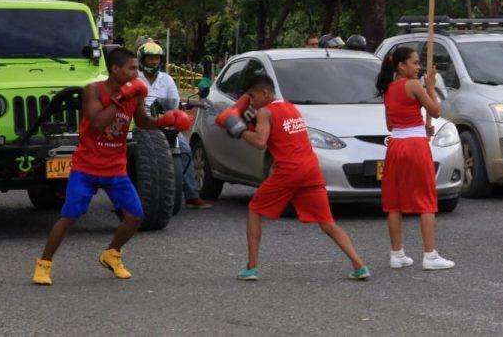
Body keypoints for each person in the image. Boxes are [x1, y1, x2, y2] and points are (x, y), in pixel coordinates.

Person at [32, 48, 194, 285]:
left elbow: (141, 122)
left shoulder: (135, 93)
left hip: (115, 167)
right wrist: (121, 98)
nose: (136, 73)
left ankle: (112, 254)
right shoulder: (93, 90)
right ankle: (44, 264)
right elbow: (97, 123)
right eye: (132, 68)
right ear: (116, 70)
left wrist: (167, 121)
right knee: (69, 216)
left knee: (135, 217)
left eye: (137, 68)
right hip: (86, 166)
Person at [218, 75, 370, 281]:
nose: (251, 101)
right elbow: (278, 132)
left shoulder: (264, 111)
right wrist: (248, 120)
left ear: (264, 94)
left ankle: (251, 267)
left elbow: (261, 142)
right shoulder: (290, 107)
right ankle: (360, 265)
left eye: (252, 96)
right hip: (311, 168)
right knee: (327, 222)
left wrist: (239, 129)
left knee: (254, 209)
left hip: (289, 170)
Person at [375, 46, 455, 270]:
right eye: (415, 63)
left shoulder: (388, 88)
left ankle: (397, 253)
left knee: (394, 202)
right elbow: (436, 111)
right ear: (401, 66)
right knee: (426, 200)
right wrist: (430, 88)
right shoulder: (414, 85)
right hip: (414, 147)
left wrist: (419, 127)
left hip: (396, 145)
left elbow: (391, 125)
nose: (418, 67)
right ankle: (430, 255)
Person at [136, 40, 212, 210]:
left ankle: (192, 195)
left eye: (156, 58)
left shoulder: (167, 79)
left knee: (185, 148)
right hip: (140, 124)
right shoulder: (135, 78)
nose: (154, 62)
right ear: (142, 59)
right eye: (150, 58)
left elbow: (175, 103)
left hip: (165, 122)